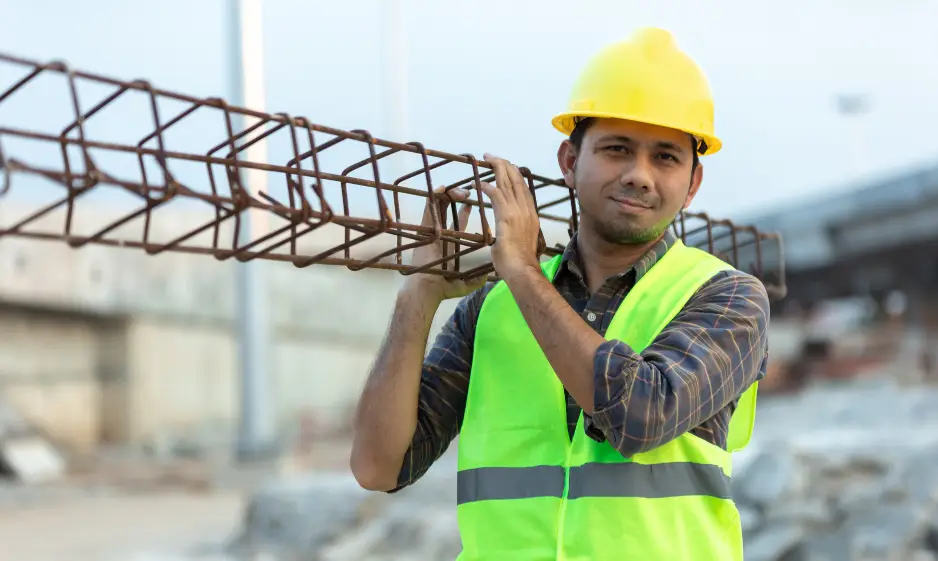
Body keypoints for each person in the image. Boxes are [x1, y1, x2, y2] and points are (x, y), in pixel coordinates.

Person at [350, 26, 769, 561]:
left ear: (693, 183)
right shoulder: (492, 311)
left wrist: (523, 271)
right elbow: (377, 466)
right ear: (569, 162)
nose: (640, 176)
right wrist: (419, 294)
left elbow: (640, 416)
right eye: (617, 149)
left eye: (665, 157)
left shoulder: (728, 298)